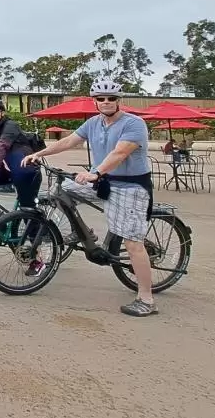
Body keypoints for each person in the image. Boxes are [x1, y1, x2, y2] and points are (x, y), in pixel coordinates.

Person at [21, 77, 157, 317]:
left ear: (118, 100)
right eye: (101, 99)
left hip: (129, 186)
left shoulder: (134, 124)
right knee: (60, 193)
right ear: (95, 101)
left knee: (131, 242)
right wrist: (38, 154)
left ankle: (146, 298)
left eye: (111, 98)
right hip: (102, 180)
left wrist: (95, 173)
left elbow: (120, 153)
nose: (106, 102)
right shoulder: (94, 123)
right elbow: (69, 141)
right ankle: (86, 233)